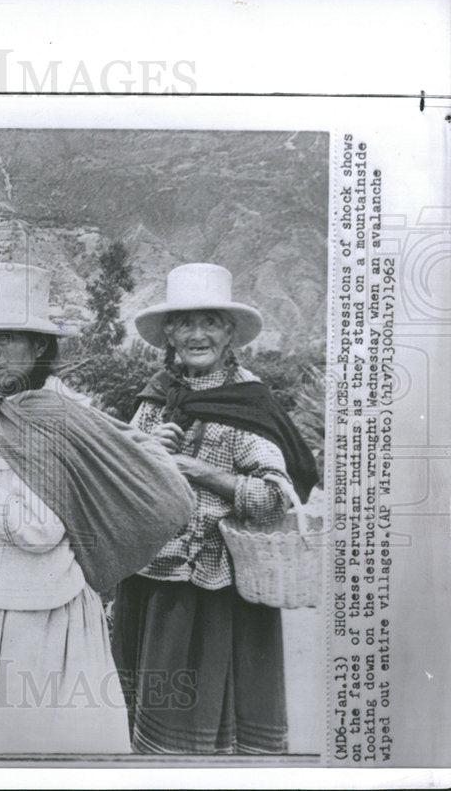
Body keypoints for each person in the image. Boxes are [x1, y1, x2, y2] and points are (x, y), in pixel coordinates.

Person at [0, 262, 195, 754]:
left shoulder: (55, 417)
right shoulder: (0, 410)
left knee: (21, 743)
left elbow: (43, 530)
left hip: (34, 612)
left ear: (39, 347)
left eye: (6, 338)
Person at [112, 262, 319, 755]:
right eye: (185, 323)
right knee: (149, 723)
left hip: (211, 592)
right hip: (150, 580)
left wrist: (198, 469)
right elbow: (121, 479)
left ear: (230, 335)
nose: (197, 335)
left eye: (210, 323)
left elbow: (275, 499)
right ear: (169, 334)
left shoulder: (247, 402)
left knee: (201, 724)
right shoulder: (156, 396)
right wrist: (146, 451)